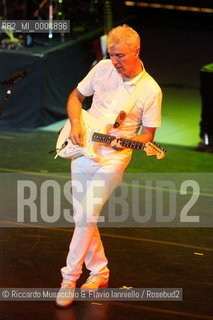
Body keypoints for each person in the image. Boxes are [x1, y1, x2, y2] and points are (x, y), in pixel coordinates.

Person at [56, 24, 162, 308]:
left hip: (114, 158)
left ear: (136, 51)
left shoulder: (150, 90)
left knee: (87, 213)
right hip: (84, 148)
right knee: (83, 216)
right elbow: (75, 97)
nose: (115, 61)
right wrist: (77, 123)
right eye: (112, 54)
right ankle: (99, 271)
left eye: (120, 56)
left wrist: (126, 141)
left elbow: (148, 136)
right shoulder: (103, 68)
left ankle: (69, 278)